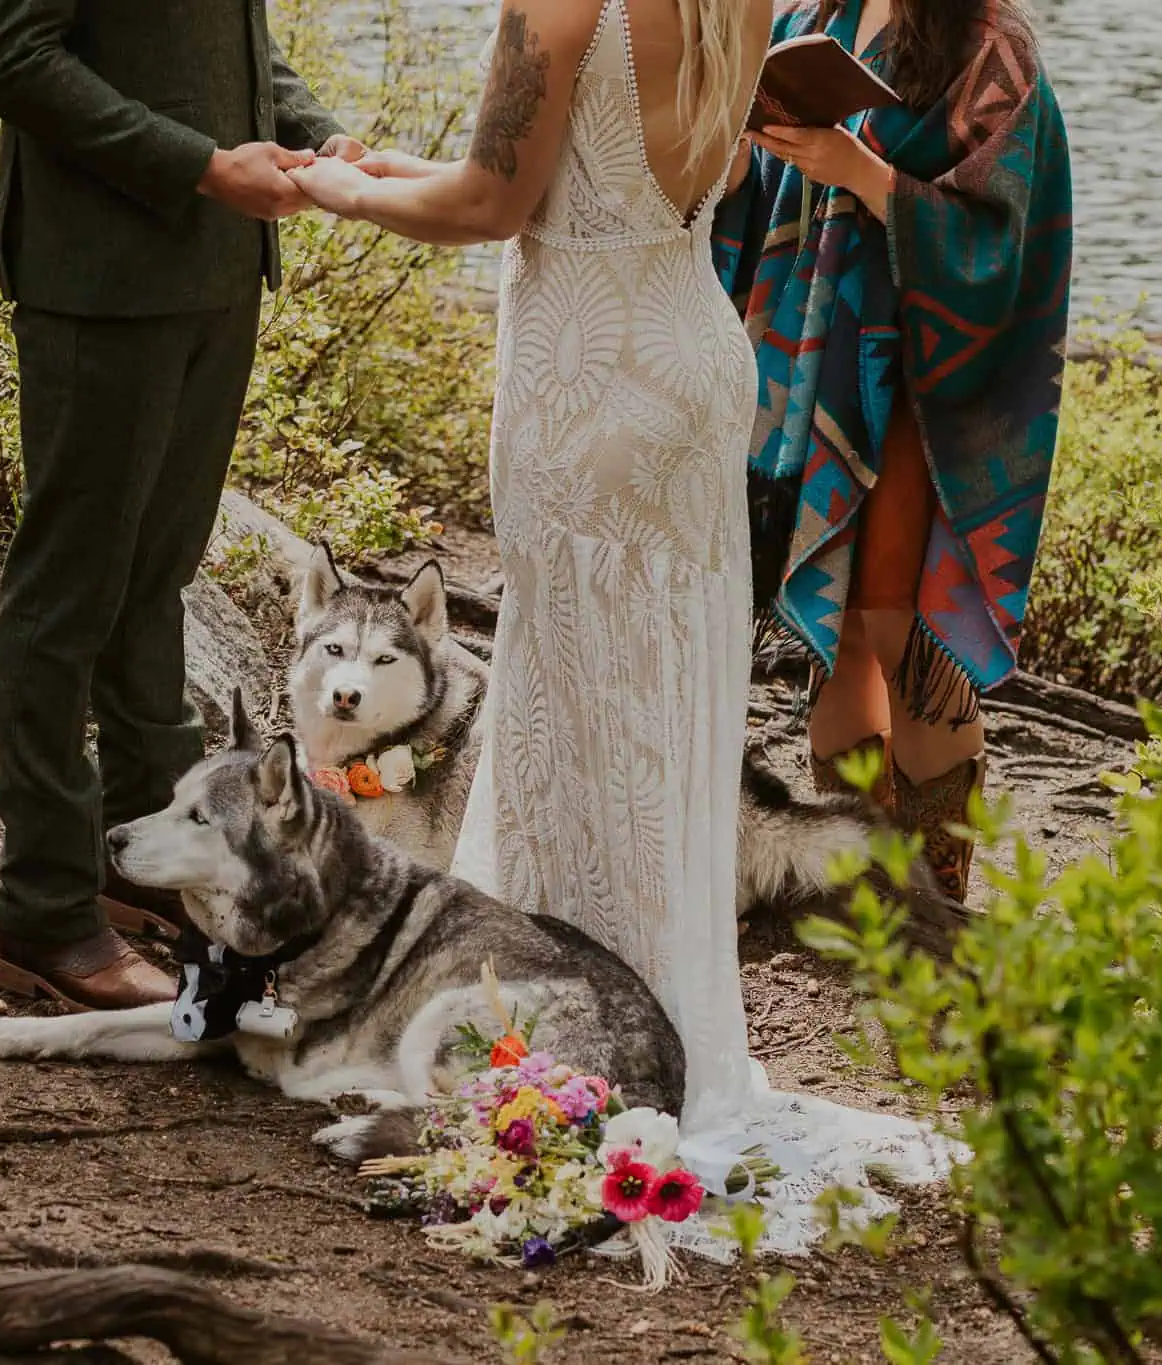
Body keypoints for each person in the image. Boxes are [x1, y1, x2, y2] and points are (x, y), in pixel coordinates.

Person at [290, 0, 949, 1254]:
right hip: (691, 358)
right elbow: (594, 182)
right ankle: (671, 1049)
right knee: (668, 711)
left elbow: (496, 205)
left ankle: (551, 1049)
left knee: (565, 714)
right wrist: (396, 169)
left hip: (582, 380)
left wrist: (334, 190)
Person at [0, 0, 361, 1011]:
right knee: (65, 601)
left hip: (214, 271)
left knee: (152, 585)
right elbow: (8, 57)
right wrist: (202, 163)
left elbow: (233, 41)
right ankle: (44, 913)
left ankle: (150, 858)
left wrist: (314, 132)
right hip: (99, 274)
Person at [717, 0, 1073, 902]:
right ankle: (873, 895)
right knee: (834, 633)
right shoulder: (812, 13)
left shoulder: (992, 52)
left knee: (898, 623)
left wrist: (863, 172)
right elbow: (762, 190)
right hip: (819, 359)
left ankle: (938, 893)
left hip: (928, 378)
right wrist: (745, 145)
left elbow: (1005, 239)